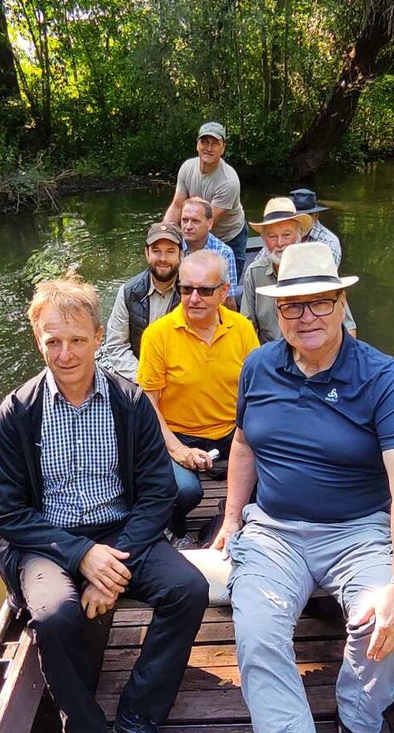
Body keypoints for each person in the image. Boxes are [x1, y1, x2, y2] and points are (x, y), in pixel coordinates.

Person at [213, 243, 394, 733]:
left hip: (359, 531)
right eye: (291, 306)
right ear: (277, 311)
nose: (305, 316)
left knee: (387, 627)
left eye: (319, 303)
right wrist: (231, 517)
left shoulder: (380, 375)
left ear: (341, 303)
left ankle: (358, 724)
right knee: (257, 637)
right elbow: (244, 445)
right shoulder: (258, 367)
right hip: (274, 530)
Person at [0, 275, 209, 733]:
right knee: (57, 615)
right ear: (38, 341)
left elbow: (159, 494)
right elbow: (8, 512)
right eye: (52, 342)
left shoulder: (130, 403)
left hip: (120, 530)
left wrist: (114, 560)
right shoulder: (16, 414)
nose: (66, 355)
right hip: (45, 540)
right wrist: (82, 556)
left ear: (95, 338)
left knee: (187, 589)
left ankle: (139, 715)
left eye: (77, 341)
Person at [136, 250, 259, 547]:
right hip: (176, 434)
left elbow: (258, 391)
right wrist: (179, 450)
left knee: (275, 472)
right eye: (186, 289)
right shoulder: (158, 335)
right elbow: (147, 404)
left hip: (232, 433)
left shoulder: (241, 329)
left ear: (224, 292)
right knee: (184, 491)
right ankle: (176, 531)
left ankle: (226, 518)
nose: (193, 299)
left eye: (205, 290)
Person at [242, 197, 356, 343]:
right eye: (272, 236)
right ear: (263, 240)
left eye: (286, 235)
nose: (280, 243)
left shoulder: (318, 268)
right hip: (272, 356)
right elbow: (248, 326)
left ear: (300, 235)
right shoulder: (254, 273)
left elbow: (348, 328)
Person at [164, 121, 248, 279]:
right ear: (197, 144)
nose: (209, 148)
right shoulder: (187, 168)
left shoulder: (229, 182)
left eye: (215, 144)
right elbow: (176, 207)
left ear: (223, 148)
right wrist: (164, 235)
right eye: (204, 142)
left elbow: (206, 223)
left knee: (223, 287)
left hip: (229, 237)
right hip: (198, 228)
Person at [103, 222, 183, 382]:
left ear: (181, 254)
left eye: (170, 251)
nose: (163, 259)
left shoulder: (192, 292)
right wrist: (143, 377)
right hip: (139, 378)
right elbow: (117, 345)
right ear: (146, 253)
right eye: (156, 251)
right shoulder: (128, 292)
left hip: (181, 378)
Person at [181, 196, 239, 309]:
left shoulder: (223, 253)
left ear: (210, 224)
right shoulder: (174, 248)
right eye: (185, 220)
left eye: (195, 221)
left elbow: (227, 299)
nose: (188, 226)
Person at [289, 188, 342, 267]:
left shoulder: (328, 242)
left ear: (316, 216)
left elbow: (325, 276)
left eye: (304, 218)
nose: (298, 223)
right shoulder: (279, 236)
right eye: (294, 218)